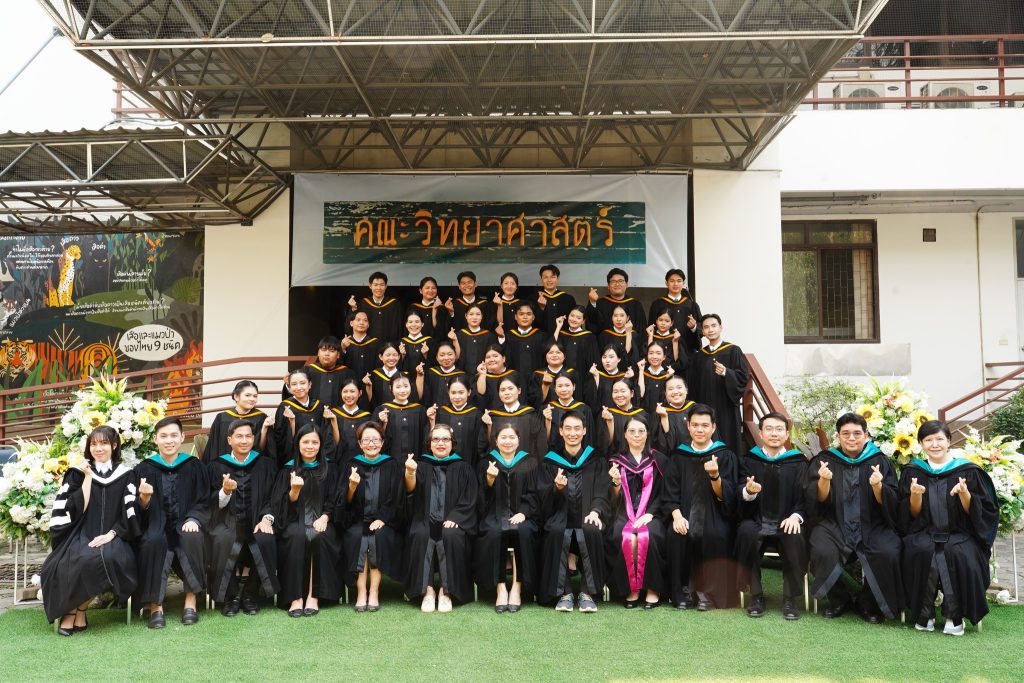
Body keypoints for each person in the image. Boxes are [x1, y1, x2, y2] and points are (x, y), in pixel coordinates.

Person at [900, 420, 998, 635]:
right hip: (924, 532)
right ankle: (924, 614)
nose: (934, 444)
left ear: (949, 441)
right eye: (928, 440)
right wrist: (915, 496)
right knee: (921, 550)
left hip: (961, 533)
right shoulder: (913, 472)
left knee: (958, 553)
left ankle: (955, 616)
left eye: (939, 439)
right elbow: (910, 516)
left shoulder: (968, 471)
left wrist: (965, 494)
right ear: (921, 444)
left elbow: (983, 513)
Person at [42, 426, 140, 635]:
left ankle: (76, 610)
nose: (98, 448)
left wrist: (111, 534)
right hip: (81, 532)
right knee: (75, 558)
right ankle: (76, 611)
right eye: (94, 444)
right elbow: (76, 508)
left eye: (104, 443)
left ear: (114, 445)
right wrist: (87, 476)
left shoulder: (127, 475)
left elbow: (129, 513)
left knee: (107, 557)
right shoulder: (77, 474)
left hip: (115, 534)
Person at [806, 413, 902, 624]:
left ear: (866, 435)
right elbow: (816, 501)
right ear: (838, 436)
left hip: (872, 525)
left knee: (889, 551)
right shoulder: (825, 460)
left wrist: (878, 486)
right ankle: (839, 600)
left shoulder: (879, 461)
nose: (851, 438)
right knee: (821, 549)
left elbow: (892, 501)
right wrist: (823, 481)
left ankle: (867, 603)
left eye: (857, 433)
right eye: (846, 433)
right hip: (834, 524)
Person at [134, 416, 210, 629]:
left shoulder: (194, 466)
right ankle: (155, 606)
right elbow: (136, 509)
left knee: (192, 537)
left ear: (182, 437)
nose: (169, 441)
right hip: (155, 523)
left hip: (186, 521)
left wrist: (194, 518)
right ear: (155, 439)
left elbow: (204, 498)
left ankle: (191, 600)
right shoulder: (144, 469)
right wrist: (144, 499)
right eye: (164, 436)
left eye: (174, 435)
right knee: (153, 540)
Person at [664, 404, 738, 611]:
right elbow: (669, 492)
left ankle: (709, 593)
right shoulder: (679, 455)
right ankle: (681, 592)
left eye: (705, 425)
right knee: (676, 534)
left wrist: (715, 476)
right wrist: (677, 516)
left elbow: (727, 496)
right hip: (683, 512)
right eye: (695, 425)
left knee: (716, 533)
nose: (699, 429)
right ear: (688, 426)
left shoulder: (724, 455)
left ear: (713, 427)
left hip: (715, 513)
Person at [735, 412, 808, 620]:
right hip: (756, 518)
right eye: (769, 429)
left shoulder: (798, 462)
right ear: (761, 433)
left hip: (787, 519)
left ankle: (790, 599)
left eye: (779, 429)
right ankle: (756, 595)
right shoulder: (749, 460)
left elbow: (806, 496)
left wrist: (796, 516)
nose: (774, 433)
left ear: (787, 434)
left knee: (795, 535)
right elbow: (738, 491)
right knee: (745, 533)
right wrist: (749, 491)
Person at [536, 412, 610, 612]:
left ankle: (587, 593)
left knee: (591, 529)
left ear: (584, 431)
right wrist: (556, 489)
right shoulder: (551, 461)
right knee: (555, 531)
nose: (572, 433)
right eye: (568, 428)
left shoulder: (596, 460)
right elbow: (541, 496)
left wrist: (595, 511)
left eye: (577, 428)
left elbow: (602, 491)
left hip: (588, 515)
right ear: (560, 431)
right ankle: (565, 592)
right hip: (559, 515)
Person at [206, 419, 280, 616]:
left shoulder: (265, 465)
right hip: (227, 522)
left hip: (257, 521)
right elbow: (210, 503)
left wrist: (267, 519)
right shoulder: (216, 466)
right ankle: (230, 597)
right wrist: (225, 491)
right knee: (222, 538)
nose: (244, 440)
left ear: (254, 439)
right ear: (229, 440)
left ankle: (250, 594)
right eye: (239, 436)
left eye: (248, 436)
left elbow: (274, 497)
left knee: (265, 539)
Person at [403, 424, 478, 612]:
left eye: (445, 439)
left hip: (453, 520)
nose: (441, 443)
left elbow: (470, 498)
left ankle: (446, 591)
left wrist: (456, 517)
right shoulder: (421, 465)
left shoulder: (463, 467)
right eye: (436, 439)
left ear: (453, 443)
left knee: (451, 534)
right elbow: (410, 491)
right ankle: (427, 592)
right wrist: (410, 472)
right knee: (420, 533)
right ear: (429, 443)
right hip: (424, 518)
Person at [273, 423, 343, 617]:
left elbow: (335, 498)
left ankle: (314, 595)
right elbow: (280, 505)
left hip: (324, 519)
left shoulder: (330, 468)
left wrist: (325, 517)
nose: (310, 446)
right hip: (294, 520)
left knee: (319, 536)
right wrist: (294, 492)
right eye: (305, 442)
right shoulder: (288, 469)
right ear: (298, 444)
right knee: (296, 536)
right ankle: (295, 598)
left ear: (321, 444)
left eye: (314, 442)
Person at [475, 424, 539, 613]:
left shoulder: (530, 462)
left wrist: (524, 512)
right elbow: (479, 496)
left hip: (523, 515)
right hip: (493, 514)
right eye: (503, 437)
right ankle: (500, 587)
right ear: (496, 441)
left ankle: (517, 587)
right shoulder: (486, 463)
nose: (507, 441)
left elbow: (536, 493)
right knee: (493, 532)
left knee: (524, 531)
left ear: (519, 440)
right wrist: (489, 480)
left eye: (512, 437)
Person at [342, 422, 405, 612]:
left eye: (376, 440)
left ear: (382, 442)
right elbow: (344, 502)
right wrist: (351, 487)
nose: (371, 444)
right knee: (358, 537)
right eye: (367, 440)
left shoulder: (391, 464)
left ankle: (374, 591)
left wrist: (383, 518)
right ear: (360, 443)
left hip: (385, 520)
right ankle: (361, 591)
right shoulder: (351, 465)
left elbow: (396, 496)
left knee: (378, 536)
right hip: (356, 519)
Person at [607, 416, 668, 608]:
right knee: (625, 536)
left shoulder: (658, 460)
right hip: (622, 513)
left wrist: (651, 513)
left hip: (652, 513)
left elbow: (665, 492)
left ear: (647, 434)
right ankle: (632, 588)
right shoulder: (616, 462)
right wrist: (615, 483)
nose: (636, 435)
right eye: (632, 431)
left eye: (641, 431)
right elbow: (611, 498)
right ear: (625, 434)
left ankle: (652, 589)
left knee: (651, 535)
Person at [686, 314, 750, 454]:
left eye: (714, 326)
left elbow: (743, 377)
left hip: (726, 407)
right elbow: (693, 384)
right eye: (706, 327)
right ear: (702, 331)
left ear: (720, 327)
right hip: (705, 405)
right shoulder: (699, 356)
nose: (710, 330)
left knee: (728, 441)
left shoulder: (733, 350)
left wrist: (727, 372)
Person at [203, 380, 273, 462]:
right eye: (247, 395)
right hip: (224, 465)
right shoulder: (222, 418)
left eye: (255, 396)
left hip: (252, 466)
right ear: (236, 397)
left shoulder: (261, 418)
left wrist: (264, 428)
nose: (252, 399)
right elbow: (214, 447)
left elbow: (262, 449)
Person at [274, 369, 329, 466]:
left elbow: (325, 434)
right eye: (294, 384)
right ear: (289, 387)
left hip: (317, 460)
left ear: (310, 384)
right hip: (294, 460)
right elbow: (281, 438)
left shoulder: (319, 406)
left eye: (302, 383)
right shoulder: (285, 407)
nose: (298, 387)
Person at [482, 376, 546, 458]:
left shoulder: (530, 415)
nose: (507, 393)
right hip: (499, 464)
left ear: (519, 390)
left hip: (526, 463)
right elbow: (487, 445)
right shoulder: (493, 416)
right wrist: (489, 426)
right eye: (502, 390)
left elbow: (540, 444)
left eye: (510, 388)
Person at [427, 378, 488, 465]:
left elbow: (481, 445)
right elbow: (431, 440)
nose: (457, 397)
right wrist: (432, 421)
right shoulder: (441, 412)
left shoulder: (476, 415)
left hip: (469, 464)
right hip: (443, 465)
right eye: (453, 393)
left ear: (469, 392)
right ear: (448, 392)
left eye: (461, 392)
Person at [648, 268, 702, 356]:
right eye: (672, 281)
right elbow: (652, 328)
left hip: (687, 351)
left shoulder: (691, 305)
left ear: (684, 283)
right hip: (663, 353)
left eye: (679, 281)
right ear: (666, 283)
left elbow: (701, 328)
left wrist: (694, 327)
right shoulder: (657, 304)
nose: (675, 284)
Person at [542, 372, 595, 452]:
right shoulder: (548, 409)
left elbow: (589, 438)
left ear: (574, 387)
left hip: (580, 456)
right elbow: (542, 440)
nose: (564, 389)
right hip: (553, 456)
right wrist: (547, 421)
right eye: (560, 386)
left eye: (567, 385)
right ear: (555, 389)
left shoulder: (584, 409)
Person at [377, 374, 427, 459]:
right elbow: (377, 438)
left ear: (411, 387)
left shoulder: (419, 410)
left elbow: (426, 437)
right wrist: (382, 423)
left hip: (415, 460)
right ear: (391, 388)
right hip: (389, 460)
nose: (403, 390)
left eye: (406, 386)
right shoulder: (382, 410)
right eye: (398, 387)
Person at [296, 336, 353, 409]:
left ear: (338, 355)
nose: (327, 354)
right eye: (323, 350)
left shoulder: (346, 373)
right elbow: (295, 393)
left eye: (331, 351)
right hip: (312, 414)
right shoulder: (307, 371)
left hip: (338, 415)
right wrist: (287, 385)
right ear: (318, 353)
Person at [586, 268, 646, 334]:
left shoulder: (635, 305)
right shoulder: (600, 303)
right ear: (608, 286)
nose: (617, 284)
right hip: (605, 340)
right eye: (613, 281)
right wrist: (592, 302)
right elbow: (591, 327)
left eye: (621, 281)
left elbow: (641, 330)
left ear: (627, 284)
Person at [348, 271, 403, 341]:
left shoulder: (394, 304)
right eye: (375, 285)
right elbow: (351, 325)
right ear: (370, 286)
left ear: (386, 286)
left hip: (388, 345)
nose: (379, 288)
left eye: (382, 285)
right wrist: (353, 308)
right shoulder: (363, 304)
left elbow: (398, 327)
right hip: (367, 344)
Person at [328, 378, 373, 464]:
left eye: (352, 391)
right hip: (339, 464)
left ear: (360, 393)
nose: (348, 395)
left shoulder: (366, 417)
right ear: (341, 393)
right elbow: (330, 444)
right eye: (345, 391)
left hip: (362, 463)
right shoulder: (333, 414)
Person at [501, 301, 547, 378]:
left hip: (536, 379)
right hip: (514, 380)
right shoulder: (508, 336)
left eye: (528, 314)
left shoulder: (541, 336)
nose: (525, 317)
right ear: (515, 317)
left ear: (533, 317)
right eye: (521, 314)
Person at [652, 376, 695, 453]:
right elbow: (661, 445)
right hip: (672, 458)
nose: (675, 392)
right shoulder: (659, 413)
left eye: (679, 387)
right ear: (665, 393)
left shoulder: (696, 409)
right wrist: (664, 417)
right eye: (671, 389)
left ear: (686, 390)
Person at [452, 303, 496, 373]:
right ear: (466, 316)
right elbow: (455, 358)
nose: (474, 317)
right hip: (461, 375)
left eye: (478, 314)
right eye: (471, 314)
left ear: (482, 316)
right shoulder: (458, 335)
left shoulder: (489, 336)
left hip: (483, 374)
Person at [421, 340, 467, 407]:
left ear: (455, 355)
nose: (446, 358)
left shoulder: (462, 376)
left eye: (450, 354)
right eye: (442, 355)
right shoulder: (431, 374)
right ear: (437, 358)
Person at [553, 306, 597, 375]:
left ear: (583, 321)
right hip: (562, 375)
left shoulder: (589, 337)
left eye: (578, 318)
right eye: (572, 316)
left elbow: (593, 360)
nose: (574, 319)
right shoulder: (562, 334)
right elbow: (552, 347)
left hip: (582, 376)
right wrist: (558, 327)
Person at [342, 311, 382, 383]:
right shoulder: (344, 343)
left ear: (368, 325)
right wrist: (342, 349)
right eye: (358, 320)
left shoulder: (375, 343)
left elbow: (379, 365)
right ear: (351, 323)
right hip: (349, 384)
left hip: (370, 383)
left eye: (365, 320)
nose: (361, 323)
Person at [474, 344, 517, 410]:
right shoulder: (480, 377)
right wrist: (482, 375)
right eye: (488, 357)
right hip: (489, 414)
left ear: (503, 359)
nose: (491, 359)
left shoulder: (514, 375)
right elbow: (480, 396)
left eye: (495, 356)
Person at [536, 264, 577, 334]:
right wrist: (541, 309)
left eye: (552, 277)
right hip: (541, 338)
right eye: (545, 277)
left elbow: (575, 321)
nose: (549, 280)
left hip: (564, 337)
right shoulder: (533, 298)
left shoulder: (568, 299)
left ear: (558, 279)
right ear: (541, 279)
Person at [636, 343, 675, 415]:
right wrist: (641, 371)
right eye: (651, 353)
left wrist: (669, 378)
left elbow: (670, 399)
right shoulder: (642, 374)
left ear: (664, 357)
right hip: (644, 415)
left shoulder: (668, 375)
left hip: (663, 415)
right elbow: (640, 394)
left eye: (658, 353)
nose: (654, 356)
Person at [399, 309, 435, 374]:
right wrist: (402, 356)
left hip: (424, 378)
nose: (414, 325)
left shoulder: (430, 342)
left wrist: (426, 355)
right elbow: (396, 368)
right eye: (410, 322)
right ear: (406, 324)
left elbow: (434, 366)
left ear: (422, 324)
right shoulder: (401, 343)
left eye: (417, 322)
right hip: (405, 379)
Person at [492, 272, 523, 336]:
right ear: (501, 286)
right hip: (499, 338)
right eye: (506, 283)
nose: (509, 286)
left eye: (512, 283)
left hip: (518, 338)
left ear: (516, 286)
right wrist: (499, 305)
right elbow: (497, 324)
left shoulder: (522, 304)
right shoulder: (493, 304)